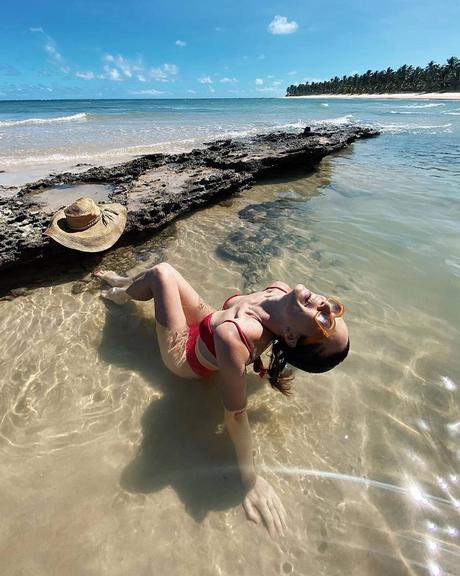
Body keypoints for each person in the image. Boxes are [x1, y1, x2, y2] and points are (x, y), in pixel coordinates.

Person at [95, 263, 350, 538]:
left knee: (162, 274)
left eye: (325, 322)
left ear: (290, 336)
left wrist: (249, 481)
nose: (325, 306)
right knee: (162, 272)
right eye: (334, 309)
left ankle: (119, 295)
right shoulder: (279, 290)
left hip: (184, 354)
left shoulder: (237, 335)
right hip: (208, 324)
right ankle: (123, 284)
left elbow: (236, 416)